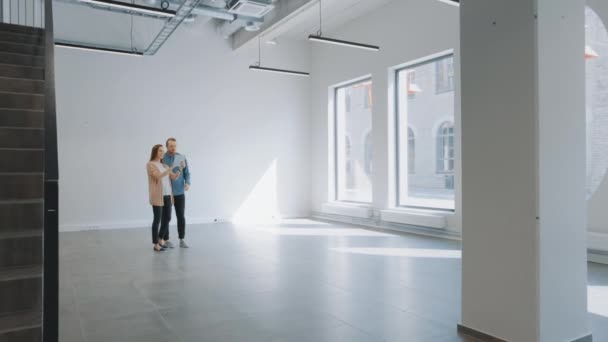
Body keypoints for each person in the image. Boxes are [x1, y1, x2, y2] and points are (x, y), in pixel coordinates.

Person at [147, 144, 181, 252]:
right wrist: (168, 169)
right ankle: (156, 244)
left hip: (167, 195)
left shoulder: (165, 165)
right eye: (160, 151)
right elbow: (158, 176)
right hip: (158, 196)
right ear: (155, 152)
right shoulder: (150, 164)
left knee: (168, 218)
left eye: (163, 151)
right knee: (157, 220)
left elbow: (173, 177)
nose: (162, 153)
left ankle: (161, 239)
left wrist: (180, 168)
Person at [161, 137, 191, 248]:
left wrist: (187, 183)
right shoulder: (162, 158)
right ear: (167, 146)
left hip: (179, 192)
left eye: (175, 145)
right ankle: (166, 239)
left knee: (181, 216)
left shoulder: (181, 157)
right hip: (167, 192)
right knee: (166, 217)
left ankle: (182, 239)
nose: (173, 148)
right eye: (171, 146)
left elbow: (187, 173)